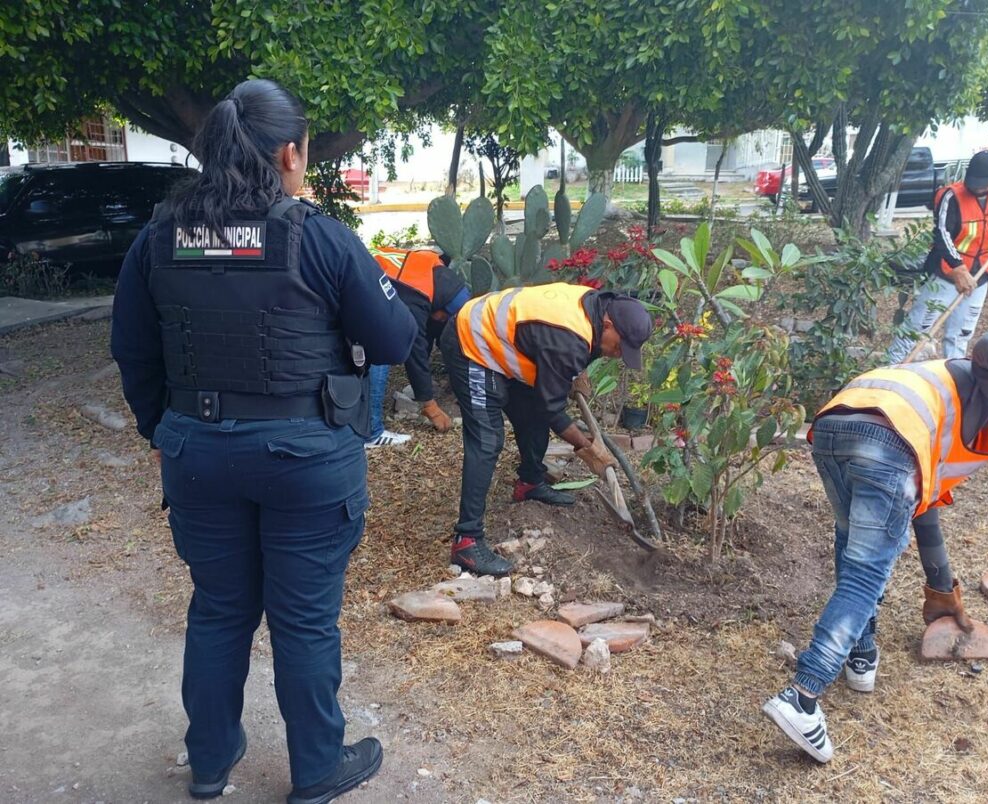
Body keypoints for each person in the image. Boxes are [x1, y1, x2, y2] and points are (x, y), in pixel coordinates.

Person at [110, 79, 417, 803]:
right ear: (290, 154)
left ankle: (211, 764)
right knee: (304, 619)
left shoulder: (158, 237)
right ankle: (316, 769)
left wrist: (162, 430)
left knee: (218, 608)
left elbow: (132, 350)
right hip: (306, 459)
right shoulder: (319, 236)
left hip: (198, 454)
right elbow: (395, 337)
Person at [762, 332, 988, 764]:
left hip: (834, 428)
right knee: (866, 573)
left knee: (853, 546)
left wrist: (942, 591)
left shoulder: (932, 395)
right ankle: (803, 696)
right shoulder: (978, 396)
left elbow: (923, 514)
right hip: (886, 440)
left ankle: (861, 653)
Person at [439, 282, 653, 576]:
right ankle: (467, 541)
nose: (619, 354)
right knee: (487, 439)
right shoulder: (567, 339)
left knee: (532, 415)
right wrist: (588, 448)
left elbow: (555, 376)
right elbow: (552, 407)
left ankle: (529, 483)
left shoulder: (596, 305)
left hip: (510, 344)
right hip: (472, 341)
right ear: (608, 323)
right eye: (620, 346)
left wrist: (575, 372)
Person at [886, 151, 988, 363]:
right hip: (946, 274)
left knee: (961, 334)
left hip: (982, 273)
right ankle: (890, 371)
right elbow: (942, 234)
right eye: (973, 181)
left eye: (982, 183)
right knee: (917, 329)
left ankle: (955, 374)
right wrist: (958, 269)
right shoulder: (950, 196)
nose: (976, 187)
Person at [363, 246, 472, 448]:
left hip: (361, 279)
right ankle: (372, 432)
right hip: (351, 289)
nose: (442, 321)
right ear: (445, 309)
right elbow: (416, 348)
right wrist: (430, 405)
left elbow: (429, 332)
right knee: (380, 349)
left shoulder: (435, 274)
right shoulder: (416, 297)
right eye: (446, 318)